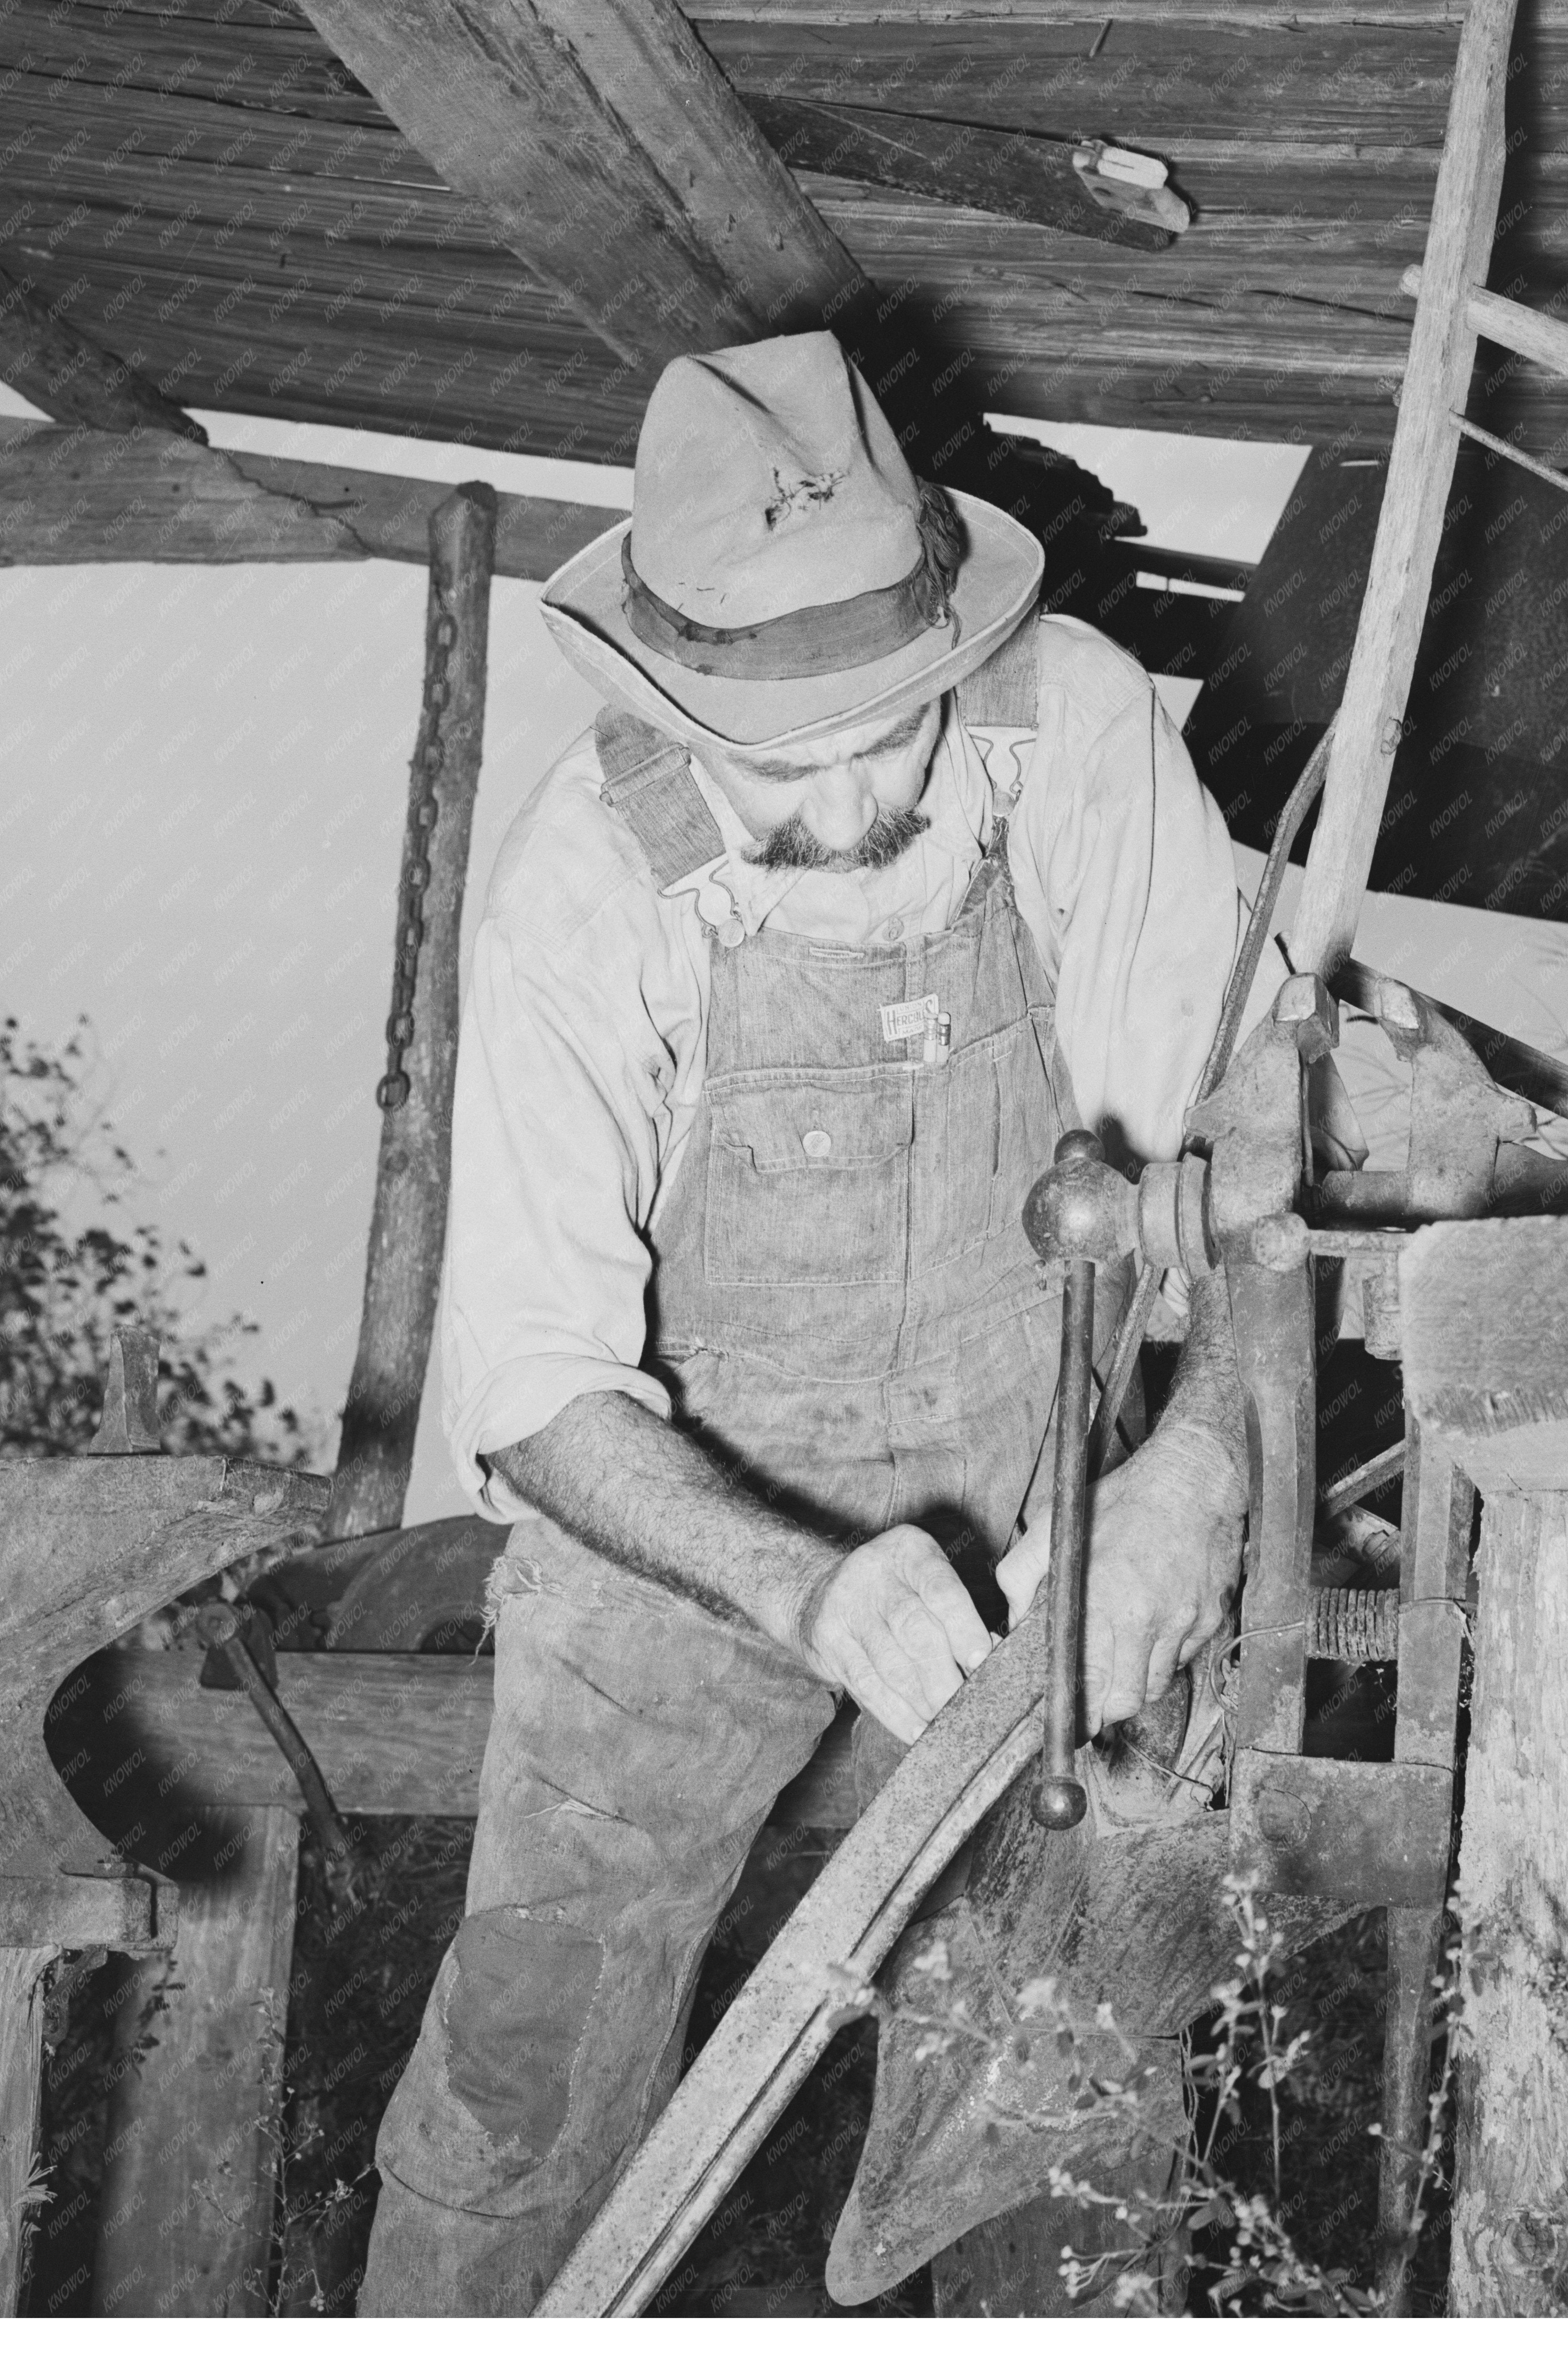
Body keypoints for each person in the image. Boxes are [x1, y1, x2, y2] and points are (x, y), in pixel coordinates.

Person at [360, 332, 1254, 2315]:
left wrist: (1193, 1471)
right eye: (785, 760)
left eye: (896, 727)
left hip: (1054, 1511)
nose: (852, 804)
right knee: (526, 2086)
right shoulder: (592, 884)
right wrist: (799, 1588)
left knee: (1072, 2098)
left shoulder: (1078, 731)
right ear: (676, 704)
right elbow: (528, 1383)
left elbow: (1250, 1172)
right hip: (684, 1549)